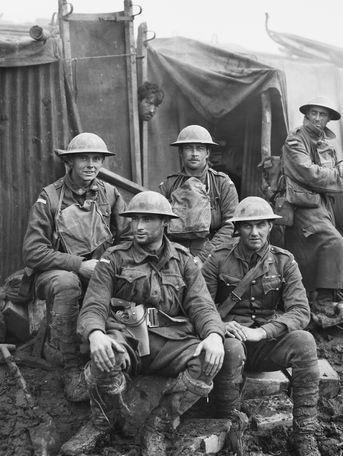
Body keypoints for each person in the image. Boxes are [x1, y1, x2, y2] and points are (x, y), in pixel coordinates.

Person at [60, 191, 226, 456]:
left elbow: (202, 305)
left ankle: (160, 424)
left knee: (207, 360)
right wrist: (95, 334)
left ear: (165, 223)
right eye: (135, 219)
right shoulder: (113, 259)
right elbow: (94, 305)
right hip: (129, 339)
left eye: (147, 219)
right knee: (107, 354)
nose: (138, 226)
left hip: (172, 341)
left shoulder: (184, 261)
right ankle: (101, 423)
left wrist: (214, 335)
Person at [201, 196, 321, 456]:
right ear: (238, 228)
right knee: (231, 348)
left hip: (266, 342)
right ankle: (229, 426)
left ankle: (305, 433)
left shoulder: (284, 261)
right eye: (247, 226)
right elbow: (201, 306)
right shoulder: (218, 259)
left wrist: (264, 332)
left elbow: (301, 311)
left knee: (305, 342)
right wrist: (221, 326)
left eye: (261, 225)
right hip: (230, 340)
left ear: (270, 226)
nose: (254, 232)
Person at [22, 132, 130, 402]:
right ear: (70, 162)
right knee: (67, 284)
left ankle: (121, 356)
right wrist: (79, 265)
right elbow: (33, 251)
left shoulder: (109, 194)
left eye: (97, 159)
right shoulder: (50, 197)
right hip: (56, 274)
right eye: (84, 158)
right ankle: (70, 368)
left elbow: (128, 238)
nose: (91, 164)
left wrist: (109, 265)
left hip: (99, 271)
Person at [280, 96, 343, 308]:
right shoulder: (295, 140)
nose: (317, 118)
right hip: (301, 205)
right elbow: (308, 173)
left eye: (322, 115)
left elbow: (332, 164)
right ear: (306, 115)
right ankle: (323, 301)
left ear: (328, 120)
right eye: (314, 113)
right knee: (333, 244)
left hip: (323, 207)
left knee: (316, 251)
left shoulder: (323, 143)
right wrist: (337, 175)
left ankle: (320, 297)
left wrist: (342, 164)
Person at [160, 125, 238, 267]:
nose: (194, 153)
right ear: (181, 152)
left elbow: (231, 224)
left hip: (213, 253)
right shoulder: (169, 185)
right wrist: (171, 255)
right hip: (175, 253)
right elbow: (159, 224)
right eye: (189, 148)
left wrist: (203, 257)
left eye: (200, 148)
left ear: (207, 152)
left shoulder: (222, 183)